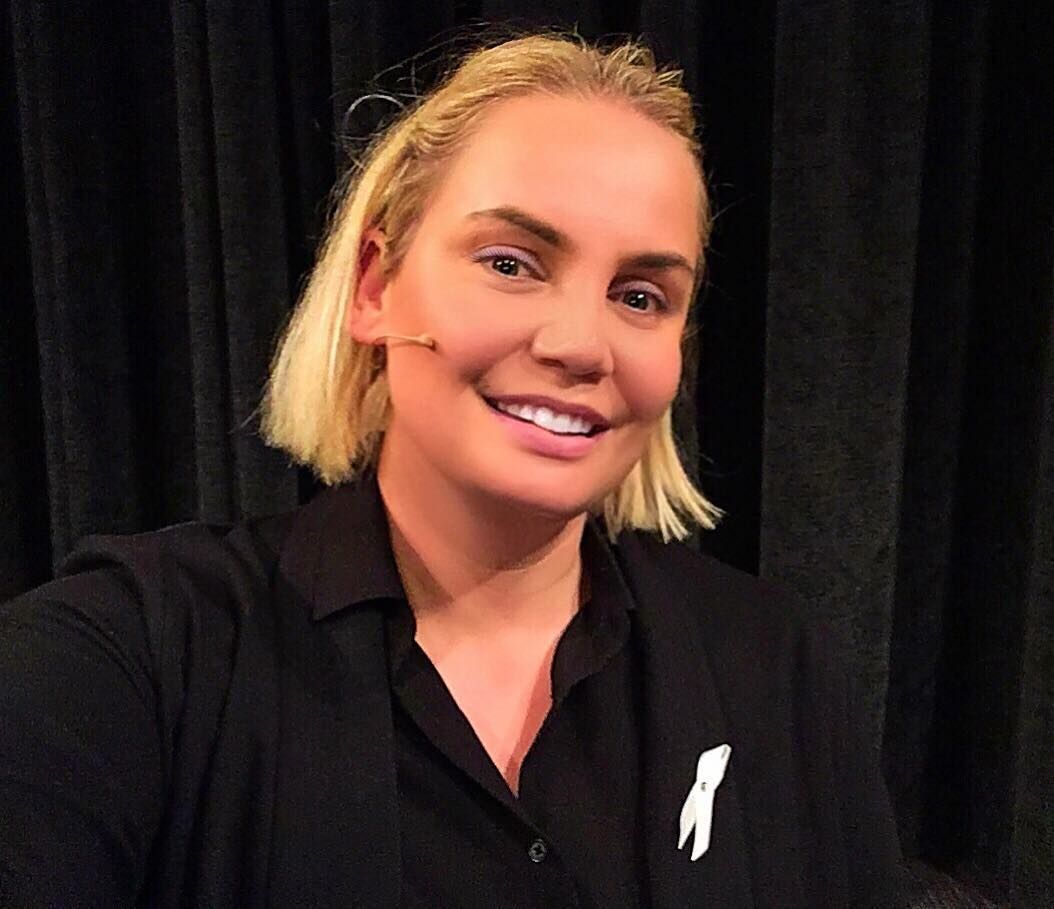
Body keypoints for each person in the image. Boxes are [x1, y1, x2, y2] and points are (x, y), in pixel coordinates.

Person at [0, 31, 911, 908]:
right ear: (374, 285)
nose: (580, 343)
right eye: (512, 263)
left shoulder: (776, 670)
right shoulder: (127, 654)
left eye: (640, 296)